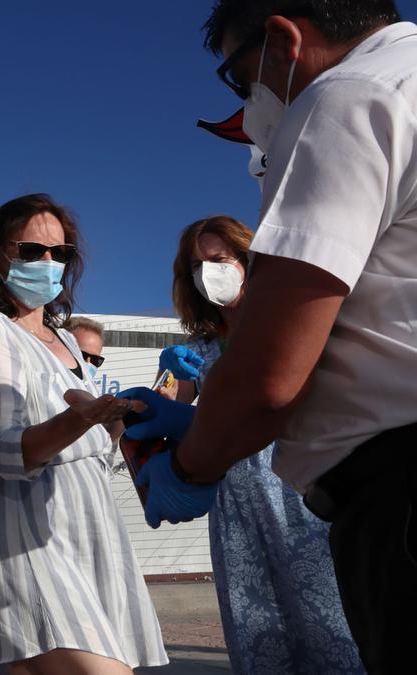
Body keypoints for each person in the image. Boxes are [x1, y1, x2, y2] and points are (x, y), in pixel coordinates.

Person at [122, 2, 417, 672]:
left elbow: (268, 379)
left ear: (283, 40)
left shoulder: (343, 98)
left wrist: (187, 465)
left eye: (238, 77)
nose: (250, 101)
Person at [0, 194, 166, 674]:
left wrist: (116, 421)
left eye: (59, 253)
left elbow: (95, 448)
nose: (48, 262)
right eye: (31, 250)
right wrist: (81, 419)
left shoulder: (66, 340)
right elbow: (3, 449)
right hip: (27, 530)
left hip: (86, 526)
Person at [156, 216, 362, 673]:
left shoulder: (289, 325)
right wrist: (165, 381)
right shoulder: (200, 351)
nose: (207, 273)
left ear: (249, 262)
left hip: (302, 493)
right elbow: (167, 421)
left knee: (334, 625)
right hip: (235, 507)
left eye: (218, 260)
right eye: (194, 266)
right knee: (259, 631)